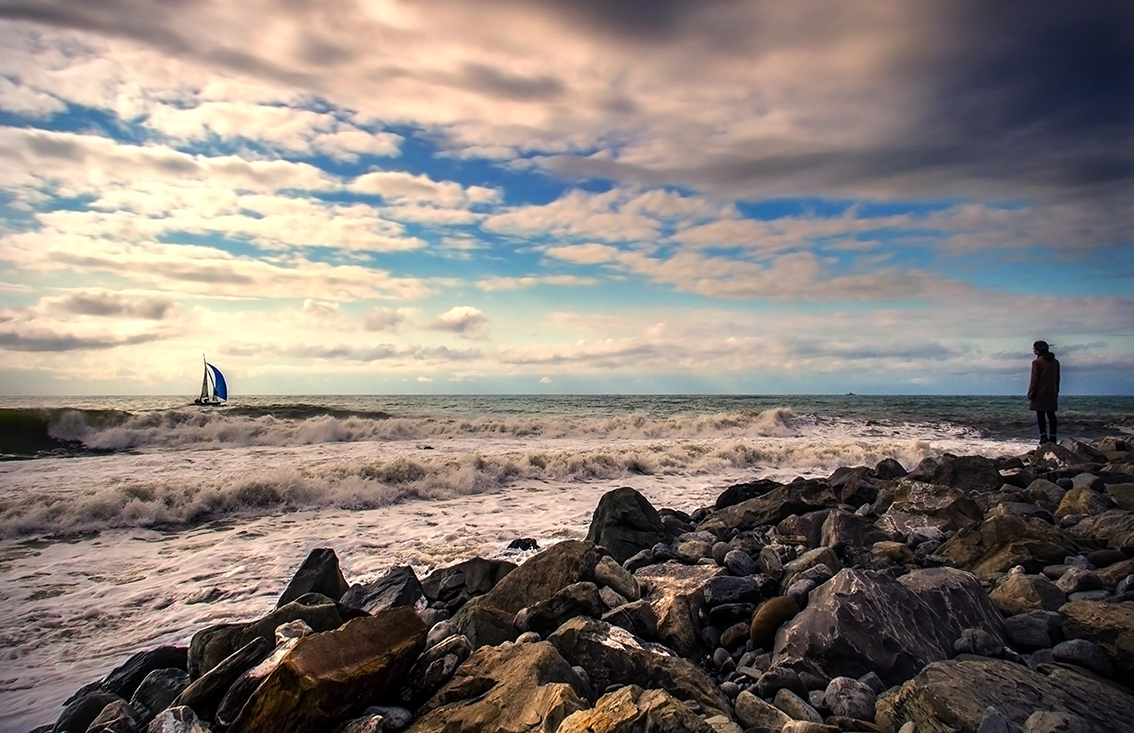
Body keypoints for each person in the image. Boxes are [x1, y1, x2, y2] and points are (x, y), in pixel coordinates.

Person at [1027, 340, 1060, 444]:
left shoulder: (1037, 362)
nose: (1033, 350)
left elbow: (1034, 379)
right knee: (1051, 415)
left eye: (1034, 348)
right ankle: (1053, 436)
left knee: (1040, 415)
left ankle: (1043, 436)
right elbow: (1057, 378)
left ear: (1037, 350)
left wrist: (1031, 393)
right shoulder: (1055, 362)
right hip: (1052, 392)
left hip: (1039, 393)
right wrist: (1056, 391)